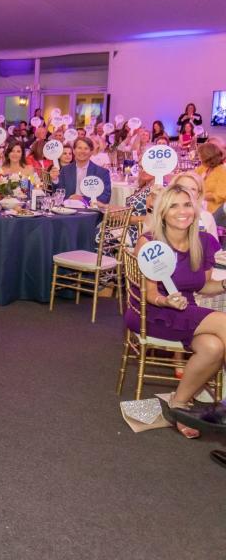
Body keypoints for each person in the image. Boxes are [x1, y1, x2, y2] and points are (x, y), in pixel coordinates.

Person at [128, 185, 226, 439]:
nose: (182, 211)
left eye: (186, 204)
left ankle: (178, 404)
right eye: (174, 205)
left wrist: (225, 283)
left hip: (187, 310)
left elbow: (203, 285)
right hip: (153, 313)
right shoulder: (149, 242)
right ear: (162, 212)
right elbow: (150, 294)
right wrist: (166, 301)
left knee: (213, 347)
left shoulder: (203, 242)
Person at [49, 137, 111, 205]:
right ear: (74, 151)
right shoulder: (65, 170)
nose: (82, 151)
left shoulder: (102, 172)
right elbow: (58, 193)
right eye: (79, 148)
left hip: (90, 211)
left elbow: (105, 197)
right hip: (68, 210)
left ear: (91, 152)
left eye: (86, 148)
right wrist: (55, 180)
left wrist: (83, 199)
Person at [196, 143, 226, 223]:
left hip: (215, 212)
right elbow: (191, 177)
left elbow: (220, 196)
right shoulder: (204, 168)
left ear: (207, 157)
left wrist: (199, 195)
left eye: (200, 155)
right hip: (199, 207)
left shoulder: (223, 171)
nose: (198, 157)